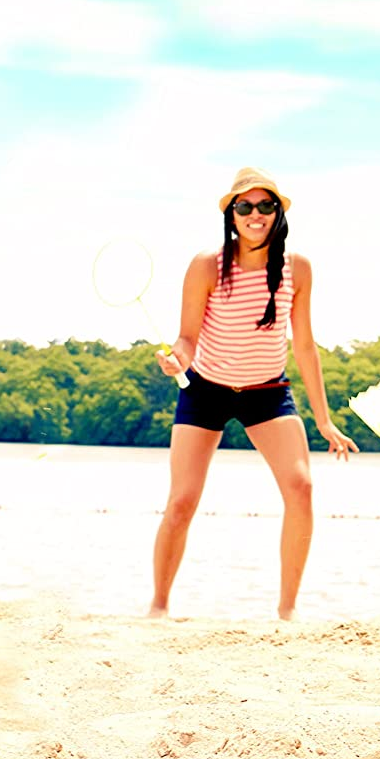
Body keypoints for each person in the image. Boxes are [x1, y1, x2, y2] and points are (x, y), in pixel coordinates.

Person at [150, 165, 357, 619]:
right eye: (244, 206)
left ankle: (287, 612)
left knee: (301, 487)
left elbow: (304, 345)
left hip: (267, 392)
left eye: (265, 205)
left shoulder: (297, 268)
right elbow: (187, 337)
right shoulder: (206, 265)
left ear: (278, 213)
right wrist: (177, 359)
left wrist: (324, 420)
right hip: (205, 389)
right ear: (232, 215)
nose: (255, 214)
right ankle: (159, 607)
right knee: (181, 501)